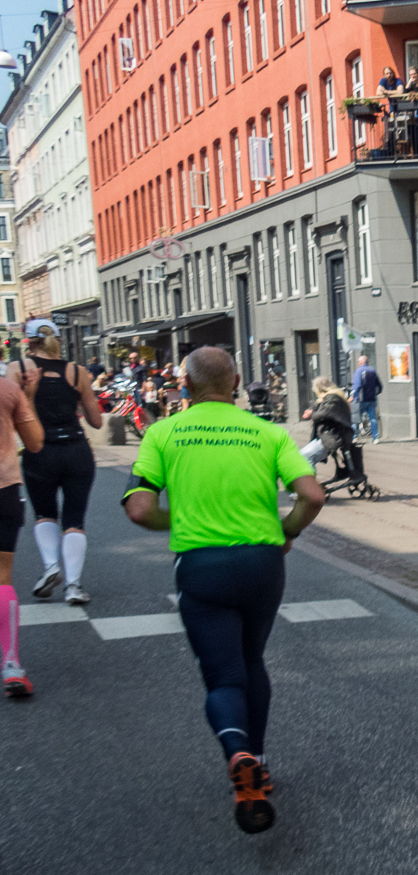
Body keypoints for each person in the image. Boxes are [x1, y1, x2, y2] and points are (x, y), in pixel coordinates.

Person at [122, 347, 325, 834]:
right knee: (252, 661)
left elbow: (140, 509)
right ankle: (258, 760)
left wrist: (186, 520)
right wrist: (287, 532)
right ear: (235, 381)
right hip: (261, 563)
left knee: (223, 676)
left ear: (184, 385)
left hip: (202, 567)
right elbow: (313, 495)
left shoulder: (162, 433)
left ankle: (238, 753)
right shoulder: (269, 432)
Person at [7, 326, 103, 606]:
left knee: (44, 514)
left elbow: (13, 412)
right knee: (75, 519)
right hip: (77, 450)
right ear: (58, 341)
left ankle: (51, 567)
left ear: (29, 342)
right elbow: (96, 420)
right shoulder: (77, 371)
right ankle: (73, 586)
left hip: (40, 451)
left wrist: (32, 395)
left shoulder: (18, 367)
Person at [0, 367, 44, 697]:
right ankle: (12, 665)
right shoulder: (7, 389)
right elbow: (35, 443)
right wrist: (27, 394)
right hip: (4, 488)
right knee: (2, 577)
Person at [300, 377, 356, 472]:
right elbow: (323, 409)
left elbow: (325, 413)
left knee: (304, 458)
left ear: (319, 389)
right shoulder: (331, 397)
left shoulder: (333, 398)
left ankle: (310, 485)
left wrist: (311, 414)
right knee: (300, 456)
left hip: (334, 437)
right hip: (328, 435)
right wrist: (312, 411)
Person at [351, 355, 383, 443]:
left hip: (360, 399)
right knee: (373, 418)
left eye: (358, 362)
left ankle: (354, 437)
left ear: (361, 363)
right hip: (372, 399)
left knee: (356, 418)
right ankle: (375, 438)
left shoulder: (358, 371)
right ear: (367, 362)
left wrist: (352, 396)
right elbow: (380, 386)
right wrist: (375, 393)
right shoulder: (373, 371)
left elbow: (356, 386)